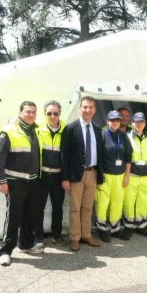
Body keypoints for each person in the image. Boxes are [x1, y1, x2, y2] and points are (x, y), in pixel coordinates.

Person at [0, 101, 43, 267]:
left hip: (33, 181)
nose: (31, 115)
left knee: (30, 215)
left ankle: (26, 244)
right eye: (28, 112)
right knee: (14, 217)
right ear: (20, 112)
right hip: (15, 182)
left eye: (33, 112)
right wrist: (2, 182)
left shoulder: (36, 130)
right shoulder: (8, 131)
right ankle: (6, 251)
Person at [61, 96, 103, 251]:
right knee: (75, 208)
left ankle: (86, 235)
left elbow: (101, 154)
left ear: (95, 110)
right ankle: (75, 237)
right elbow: (64, 155)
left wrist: (100, 175)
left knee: (88, 207)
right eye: (85, 107)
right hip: (75, 175)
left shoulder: (98, 130)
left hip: (92, 173)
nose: (88, 110)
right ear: (80, 109)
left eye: (91, 107)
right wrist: (65, 178)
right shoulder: (70, 128)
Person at [96, 110, 133, 242]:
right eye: (112, 120)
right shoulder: (102, 135)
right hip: (105, 175)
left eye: (118, 120)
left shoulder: (123, 136)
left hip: (120, 175)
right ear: (107, 121)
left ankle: (115, 228)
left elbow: (128, 157)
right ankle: (102, 228)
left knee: (117, 202)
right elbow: (98, 157)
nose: (115, 122)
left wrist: (127, 175)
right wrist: (99, 175)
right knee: (103, 203)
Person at [34, 100, 66, 248]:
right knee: (38, 207)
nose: (52, 116)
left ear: (60, 113)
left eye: (55, 113)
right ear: (44, 114)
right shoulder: (38, 129)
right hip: (42, 175)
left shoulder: (67, 130)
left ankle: (57, 235)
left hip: (59, 176)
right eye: (49, 113)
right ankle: (38, 237)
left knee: (58, 207)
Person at [123, 112, 147, 237]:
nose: (139, 124)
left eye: (141, 122)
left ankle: (141, 224)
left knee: (145, 200)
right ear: (132, 123)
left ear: (145, 124)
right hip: (132, 175)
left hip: (146, 176)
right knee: (129, 200)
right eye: (136, 122)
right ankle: (128, 225)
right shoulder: (127, 137)